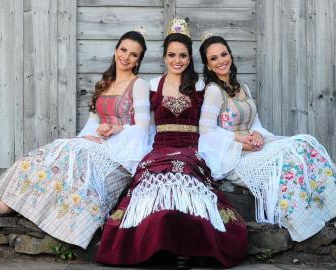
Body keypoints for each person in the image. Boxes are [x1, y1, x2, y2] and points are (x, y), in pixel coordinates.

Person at [96, 18, 248, 269]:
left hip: (191, 149)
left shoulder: (202, 86)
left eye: (183, 56)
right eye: (172, 55)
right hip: (159, 149)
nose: (177, 60)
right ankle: (154, 243)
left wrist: (240, 137)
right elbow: (143, 124)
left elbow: (212, 126)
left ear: (190, 58)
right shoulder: (151, 85)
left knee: (186, 178)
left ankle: (188, 246)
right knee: (153, 180)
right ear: (165, 57)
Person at [0, 30, 151, 249]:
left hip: (121, 152)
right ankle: (9, 200)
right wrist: (84, 139)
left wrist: (116, 129)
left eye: (133, 54)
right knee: (56, 150)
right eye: (123, 50)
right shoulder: (105, 82)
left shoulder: (139, 85)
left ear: (139, 60)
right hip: (96, 143)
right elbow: (92, 124)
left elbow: (143, 128)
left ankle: (19, 207)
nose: (126, 57)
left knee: (75, 159)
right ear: (116, 50)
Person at [198, 34, 336, 242]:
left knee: (305, 142)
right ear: (208, 66)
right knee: (286, 160)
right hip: (234, 157)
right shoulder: (213, 91)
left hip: (253, 145)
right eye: (214, 59)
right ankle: (302, 219)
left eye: (224, 54)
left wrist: (258, 136)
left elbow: (255, 123)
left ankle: (332, 206)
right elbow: (206, 130)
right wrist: (240, 140)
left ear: (231, 55)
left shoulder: (242, 86)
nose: (221, 61)